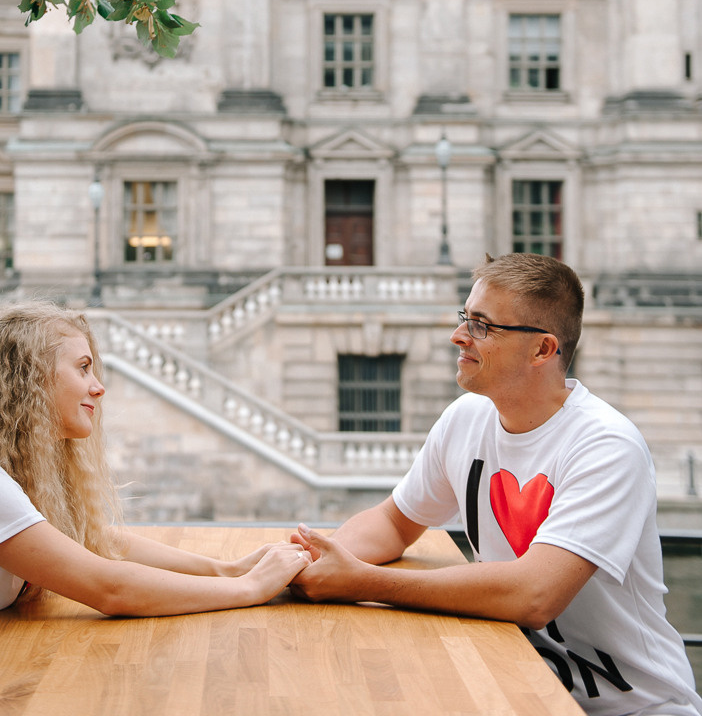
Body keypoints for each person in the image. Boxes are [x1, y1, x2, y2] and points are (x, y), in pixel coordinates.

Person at [0, 303, 310, 716]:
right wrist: (249, 588)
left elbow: (100, 541)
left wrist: (225, 569)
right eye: (84, 368)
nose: (98, 387)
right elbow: (108, 587)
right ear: (29, 378)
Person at [290, 253, 702, 716]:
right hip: (520, 688)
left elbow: (534, 595)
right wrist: (309, 562)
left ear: (542, 350)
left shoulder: (607, 446)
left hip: (638, 708)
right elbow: (393, 521)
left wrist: (362, 582)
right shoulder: (465, 419)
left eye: (482, 326)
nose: (458, 335)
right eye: (465, 316)